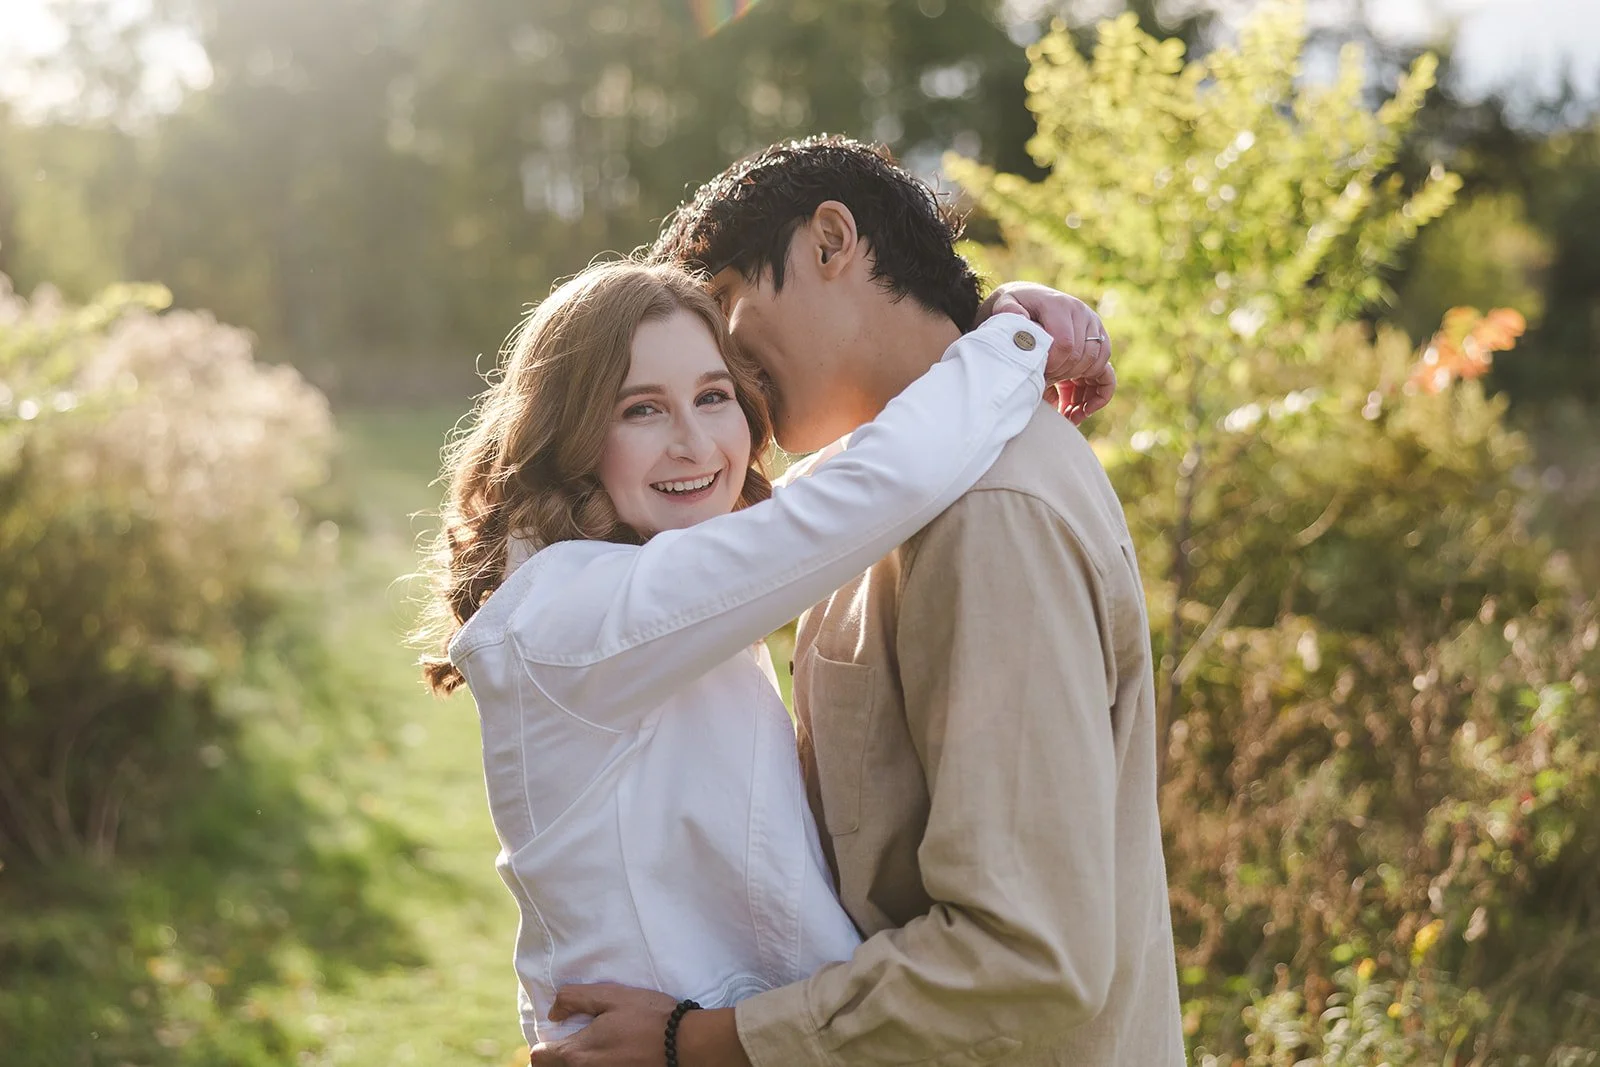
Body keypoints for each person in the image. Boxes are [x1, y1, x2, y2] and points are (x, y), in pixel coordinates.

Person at [531, 137, 1185, 1067]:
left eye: (726, 308)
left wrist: (703, 1041)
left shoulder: (990, 515)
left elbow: (1025, 957)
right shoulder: (871, 493)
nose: (727, 357)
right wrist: (1005, 327)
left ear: (830, 241)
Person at [415, 258, 1108, 1052]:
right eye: (642, 410)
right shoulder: (570, 616)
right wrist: (1011, 344)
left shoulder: (647, 586)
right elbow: (851, 504)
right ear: (572, 433)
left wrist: (1000, 323)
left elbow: (832, 486)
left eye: (714, 397)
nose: (694, 443)